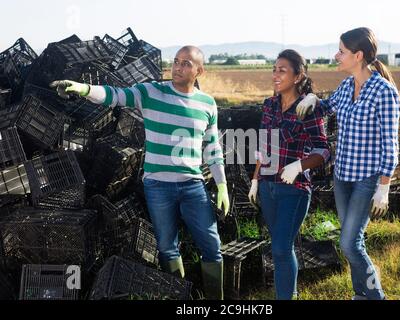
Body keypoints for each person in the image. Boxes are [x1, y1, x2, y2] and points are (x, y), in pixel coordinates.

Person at [50, 46, 230, 300]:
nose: (178, 67)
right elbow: (116, 95)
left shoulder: (207, 104)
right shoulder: (152, 92)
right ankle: (180, 298)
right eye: (176, 62)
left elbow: (213, 148)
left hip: (193, 186)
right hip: (158, 187)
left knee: (212, 246)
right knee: (168, 248)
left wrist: (221, 185)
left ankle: (215, 300)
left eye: (186, 63)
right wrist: (84, 89)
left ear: (199, 70)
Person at [295, 27, 400, 300]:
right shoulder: (345, 86)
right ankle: (361, 294)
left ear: (358, 55)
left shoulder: (383, 92)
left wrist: (384, 187)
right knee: (353, 240)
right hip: (342, 176)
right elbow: (327, 107)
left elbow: (390, 143)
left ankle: (375, 296)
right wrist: (313, 99)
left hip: (367, 179)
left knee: (349, 243)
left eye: (341, 51)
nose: (336, 56)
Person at [248, 49, 330, 300]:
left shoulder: (307, 108)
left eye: (282, 70)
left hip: (294, 190)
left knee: (282, 247)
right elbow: (264, 146)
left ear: (298, 76)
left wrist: (299, 166)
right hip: (268, 187)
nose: (275, 74)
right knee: (280, 247)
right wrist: (255, 178)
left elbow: (324, 150)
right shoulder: (269, 105)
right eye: (274, 69)